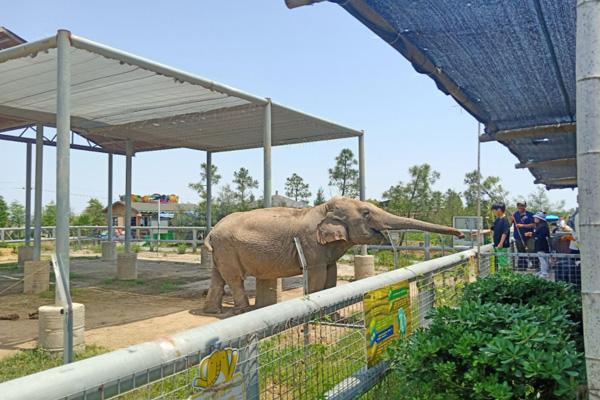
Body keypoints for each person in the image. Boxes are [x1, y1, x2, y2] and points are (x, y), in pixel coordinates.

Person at [525, 211, 550, 278]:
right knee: (542, 259)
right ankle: (542, 271)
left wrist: (531, 234)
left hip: (542, 245)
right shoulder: (539, 226)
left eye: (536, 218)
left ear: (540, 219)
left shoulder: (543, 226)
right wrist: (532, 234)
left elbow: (541, 236)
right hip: (539, 244)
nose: (534, 219)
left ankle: (545, 273)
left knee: (543, 259)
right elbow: (537, 234)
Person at [512, 201, 535, 270]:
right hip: (518, 237)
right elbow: (510, 224)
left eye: (522, 205)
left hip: (529, 236)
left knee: (531, 250)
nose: (520, 207)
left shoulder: (530, 214)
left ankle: (535, 265)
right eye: (519, 205)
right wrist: (510, 218)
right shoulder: (515, 214)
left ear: (525, 206)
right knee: (521, 252)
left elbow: (534, 224)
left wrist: (523, 226)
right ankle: (522, 267)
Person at [491, 202, 510, 271]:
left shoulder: (505, 220)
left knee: (503, 262)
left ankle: (505, 276)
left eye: (494, 211)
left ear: (499, 210)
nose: (493, 213)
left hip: (502, 246)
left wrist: (501, 243)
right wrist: (479, 232)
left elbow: (505, 233)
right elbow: (491, 229)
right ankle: (503, 275)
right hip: (497, 245)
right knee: (500, 262)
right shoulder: (497, 220)